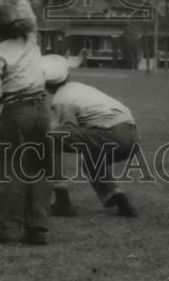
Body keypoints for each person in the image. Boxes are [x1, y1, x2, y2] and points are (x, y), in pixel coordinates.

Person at [0, 0, 51, 246]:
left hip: (15, 111)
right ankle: (37, 228)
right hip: (42, 110)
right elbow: (29, 14)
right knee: (39, 168)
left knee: (9, 170)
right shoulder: (31, 41)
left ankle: (8, 231)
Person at [42, 54, 139, 218]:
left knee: (49, 139)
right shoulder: (79, 87)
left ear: (45, 84)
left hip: (112, 135)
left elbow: (68, 129)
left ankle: (62, 202)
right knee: (91, 159)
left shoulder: (61, 98)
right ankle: (119, 199)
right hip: (132, 136)